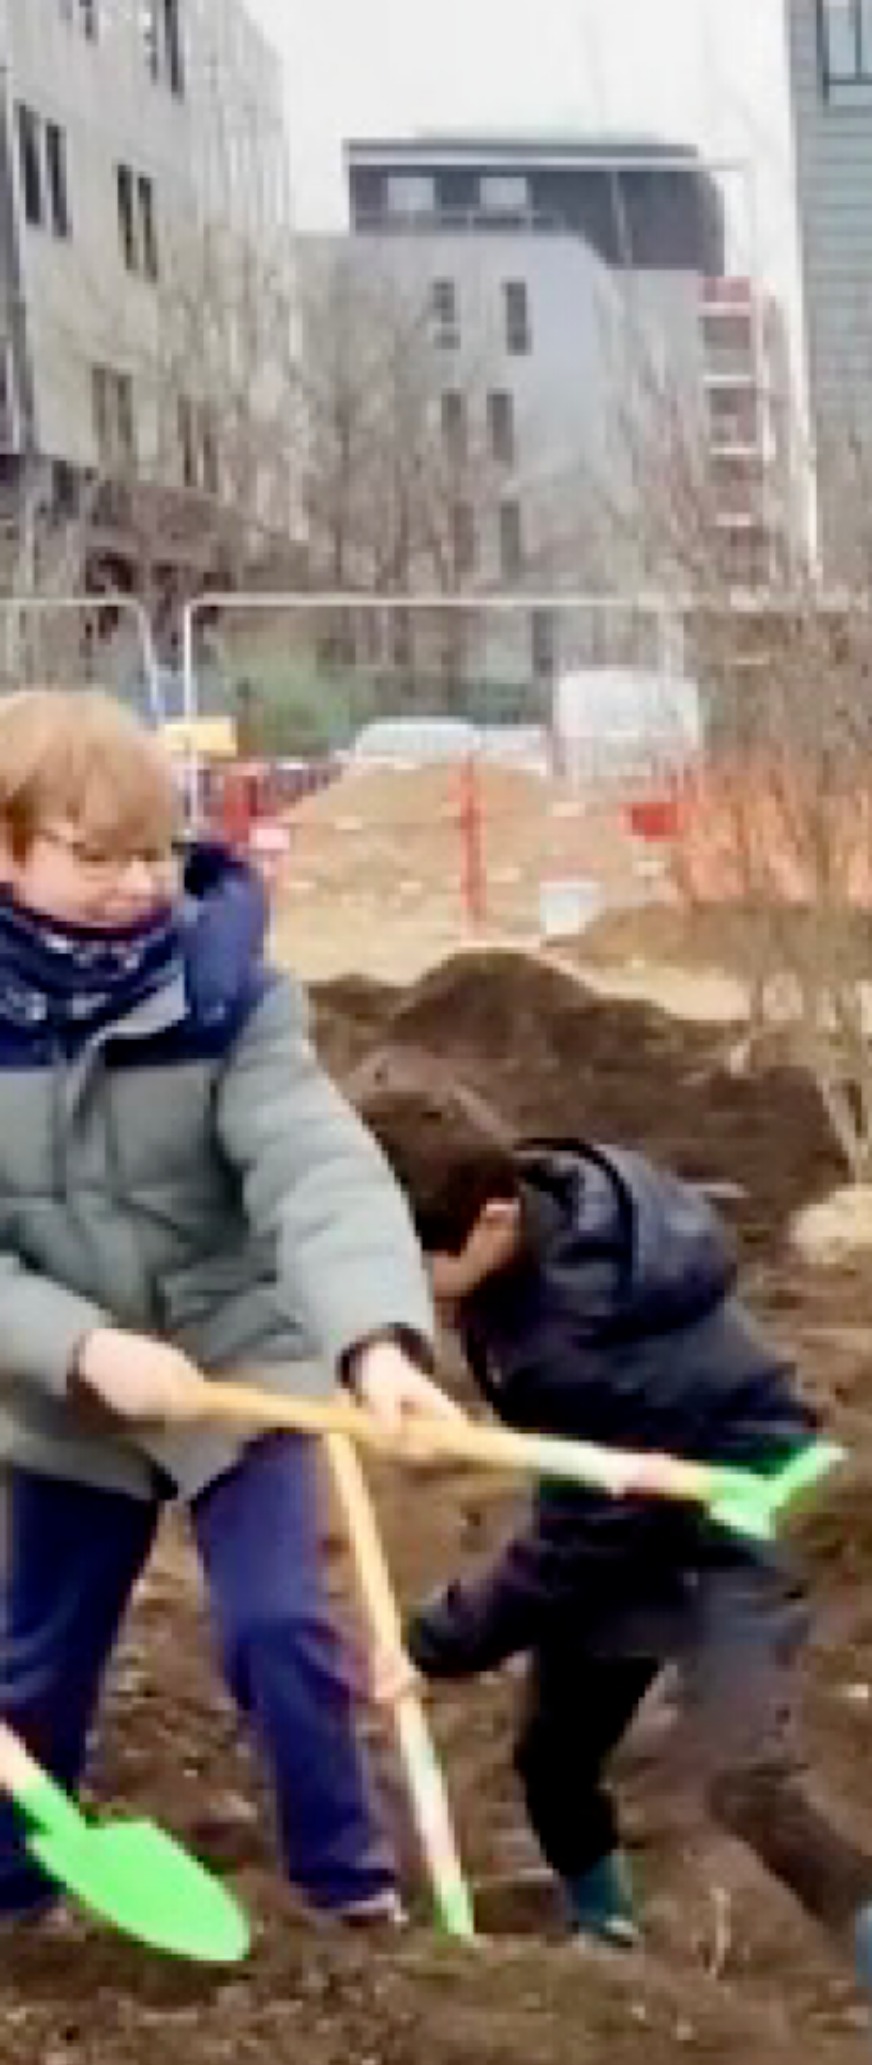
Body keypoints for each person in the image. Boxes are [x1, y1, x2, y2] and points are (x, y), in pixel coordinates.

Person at [350, 1065, 872, 2065]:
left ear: (494, 1219)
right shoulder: (541, 1207)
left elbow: (577, 1542)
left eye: (417, 1264)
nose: (408, 1288)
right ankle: (608, 1939)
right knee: (555, 1755)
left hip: (734, 1521)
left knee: (745, 1782)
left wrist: (439, 1641)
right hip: (630, 1502)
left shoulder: (578, 1343)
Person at [0, 691, 454, 1928]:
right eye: (93, 858)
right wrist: (81, 1346)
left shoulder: (225, 995)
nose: (133, 886)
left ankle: (348, 1896)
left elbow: (314, 1165)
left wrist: (374, 1337)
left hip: (233, 1364)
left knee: (281, 1635)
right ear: (7, 845)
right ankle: (12, 1901)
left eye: (151, 853)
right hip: (57, 1399)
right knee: (31, 1672)